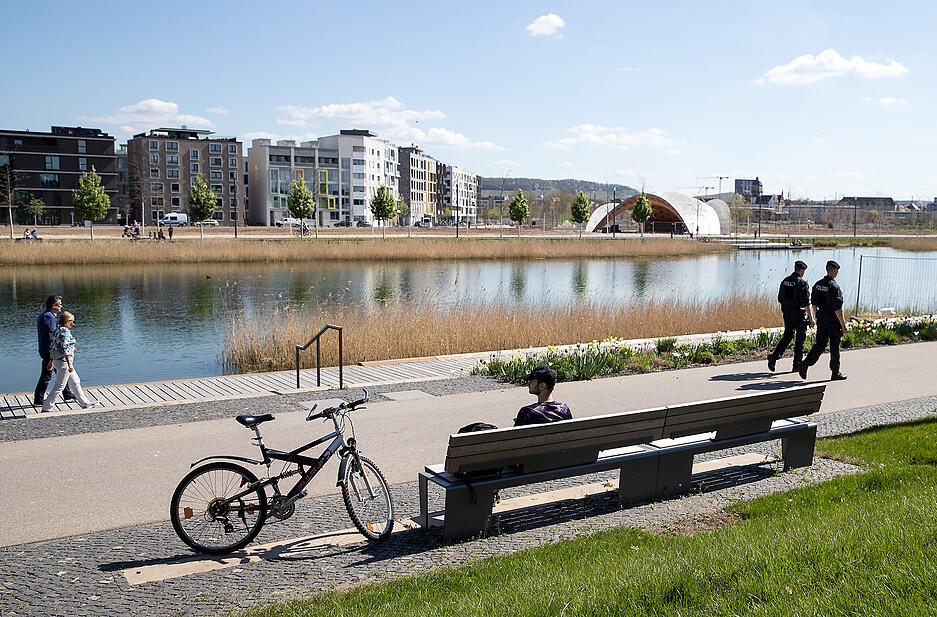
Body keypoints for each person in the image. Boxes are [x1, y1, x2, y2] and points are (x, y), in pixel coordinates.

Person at [800, 260, 849, 381]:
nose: (837, 273)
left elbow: (813, 303)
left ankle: (805, 364)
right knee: (834, 347)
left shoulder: (818, 284)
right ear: (834, 270)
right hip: (833, 320)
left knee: (820, 344)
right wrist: (843, 325)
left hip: (822, 318)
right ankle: (835, 372)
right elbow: (838, 309)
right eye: (836, 270)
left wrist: (817, 315)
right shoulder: (834, 287)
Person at [41, 311, 99, 411]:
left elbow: (52, 347)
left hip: (58, 361)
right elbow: (65, 349)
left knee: (76, 381)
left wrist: (51, 360)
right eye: (72, 321)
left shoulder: (57, 330)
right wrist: (70, 364)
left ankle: (85, 403)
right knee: (59, 386)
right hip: (64, 363)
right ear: (67, 321)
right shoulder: (66, 332)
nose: (73, 323)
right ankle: (46, 407)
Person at [767, 260, 815, 372]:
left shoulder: (785, 281)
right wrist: (812, 318)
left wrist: (785, 309)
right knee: (800, 339)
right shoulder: (802, 283)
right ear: (802, 270)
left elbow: (780, 298)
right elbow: (806, 303)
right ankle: (796, 364)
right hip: (798, 314)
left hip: (787, 313)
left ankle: (774, 357)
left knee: (787, 336)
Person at [33, 296, 73, 406]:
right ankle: (38, 399)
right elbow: (52, 335)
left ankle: (67, 394)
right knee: (47, 375)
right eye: (59, 305)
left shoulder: (45, 315)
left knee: (61, 372)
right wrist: (63, 345)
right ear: (53, 306)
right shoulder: (49, 317)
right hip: (50, 351)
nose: (61, 307)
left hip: (48, 350)